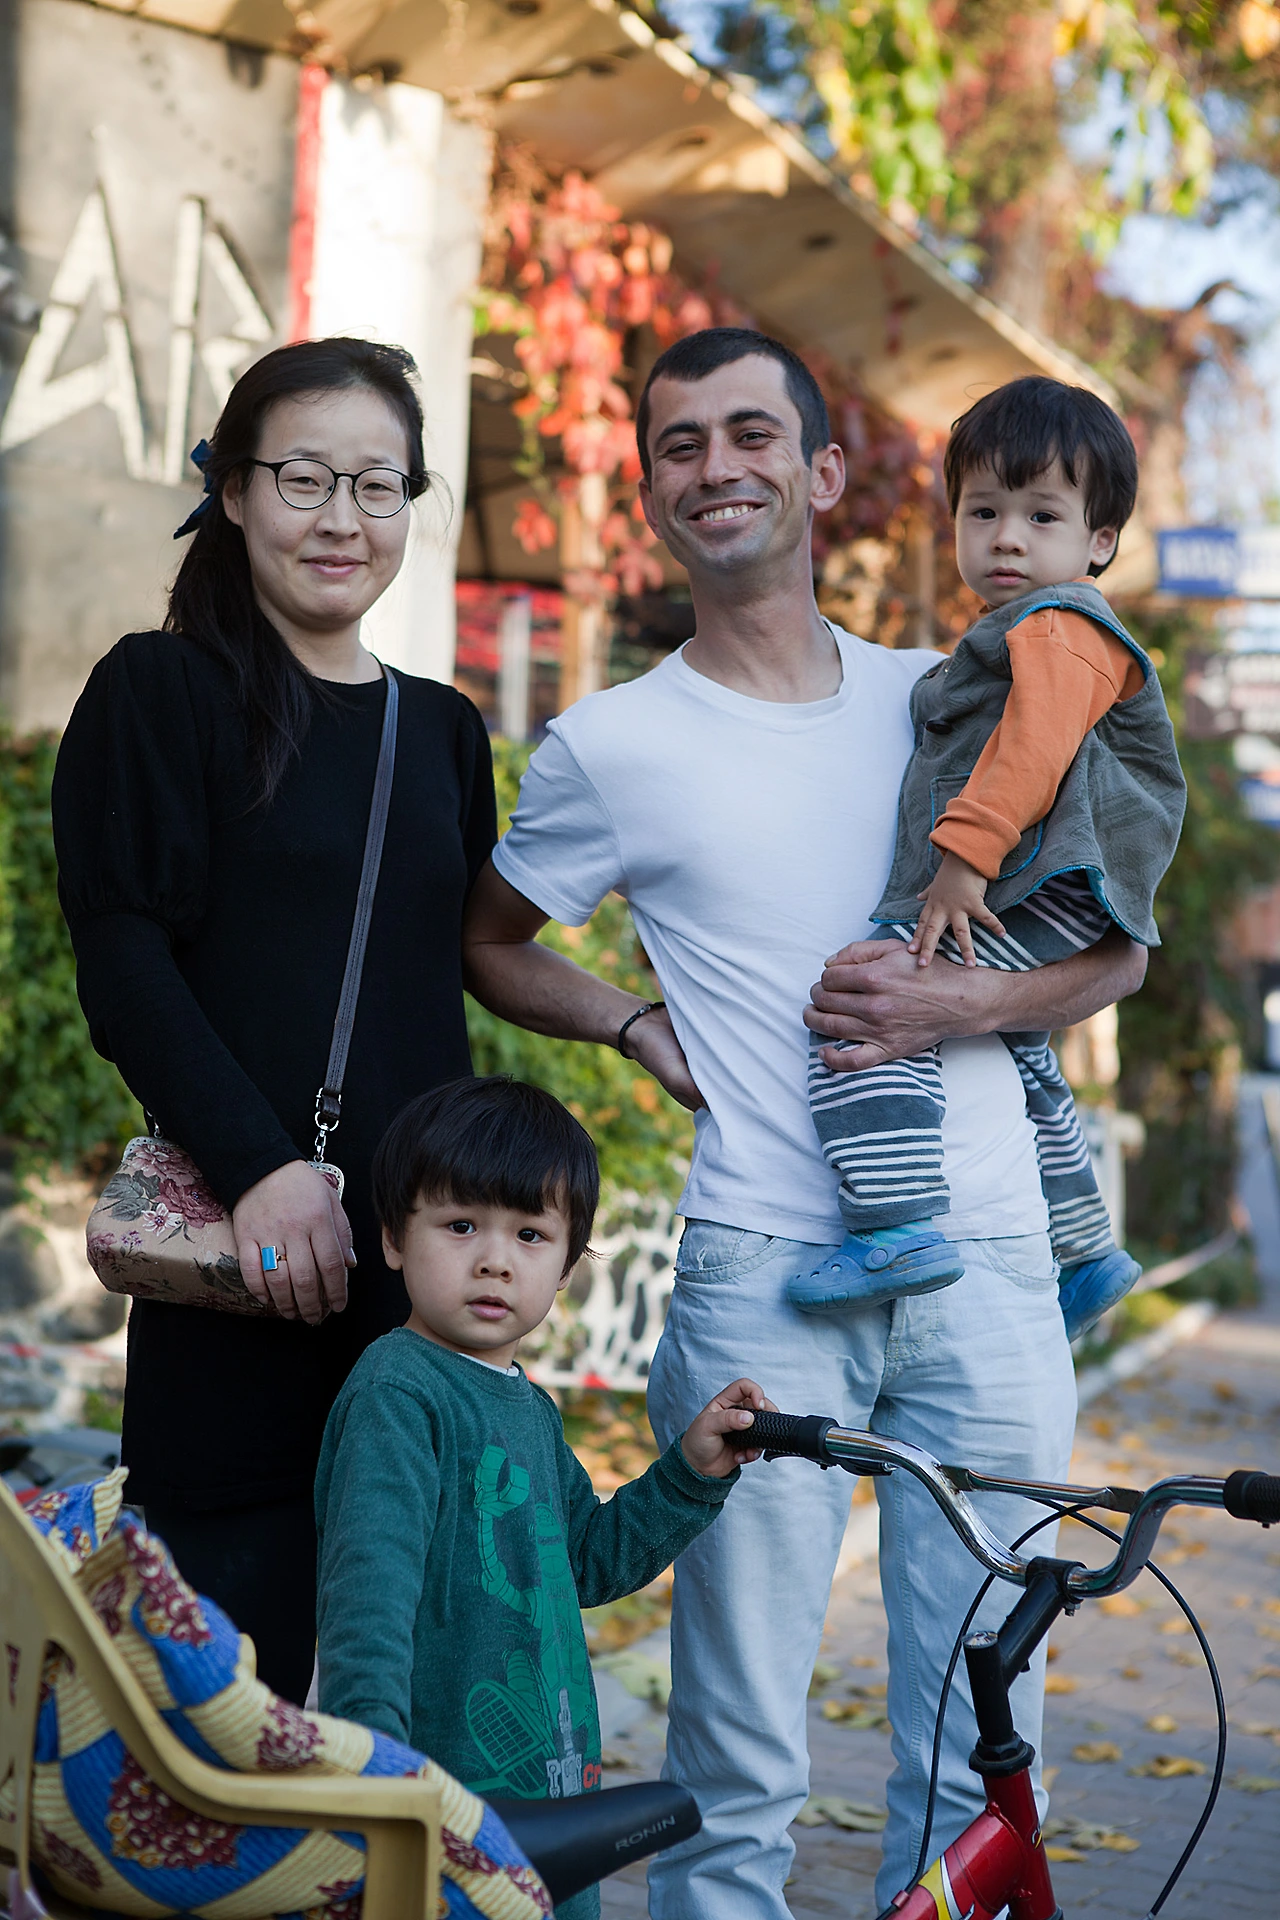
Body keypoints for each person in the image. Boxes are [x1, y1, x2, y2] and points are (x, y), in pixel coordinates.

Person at [461, 327, 1149, 1918]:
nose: (718, 466)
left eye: (751, 432)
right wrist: (636, 1024)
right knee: (735, 1767)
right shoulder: (611, 744)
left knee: (982, 1747)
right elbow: (489, 941)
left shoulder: (954, 695)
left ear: (824, 471)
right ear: (653, 492)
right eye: (680, 443)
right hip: (764, 1277)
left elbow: (1115, 949)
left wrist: (946, 1008)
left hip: (989, 1268)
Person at [52, 337, 497, 1705]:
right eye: (304, 479)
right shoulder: (162, 689)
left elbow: (458, 973)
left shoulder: (443, 730)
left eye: (377, 485)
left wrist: (636, 1027)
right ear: (234, 492)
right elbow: (124, 964)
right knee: (221, 1701)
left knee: (391, 1685)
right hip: (243, 1274)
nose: (341, 518)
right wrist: (260, 1170)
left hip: (405, 1281)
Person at [314, 1075, 767, 1920]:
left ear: (565, 1266)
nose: (495, 1259)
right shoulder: (399, 1393)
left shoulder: (528, 1407)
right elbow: (366, 1599)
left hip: (548, 1791)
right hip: (434, 1811)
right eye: (461, 1225)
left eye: (530, 1234)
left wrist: (691, 1472)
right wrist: (375, 1774)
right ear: (394, 1238)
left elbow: (585, 1561)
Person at [798, 377, 1185, 1336]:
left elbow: (1033, 748)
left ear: (1099, 542)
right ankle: (1084, 1251)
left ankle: (896, 1227)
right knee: (1021, 1048)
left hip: (1038, 875)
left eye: (1042, 515)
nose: (1008, 537)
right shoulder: (1022, 632)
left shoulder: (1063, 626)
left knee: (871, 1006)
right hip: (1059, 879)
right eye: (984, 512)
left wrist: (965, 860)